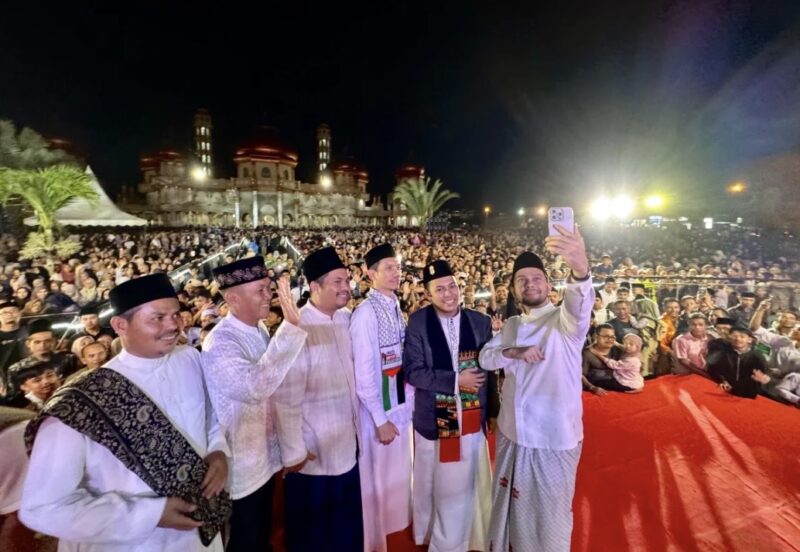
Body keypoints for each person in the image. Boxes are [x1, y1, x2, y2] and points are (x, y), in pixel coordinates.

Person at [20, 273, 231, 551]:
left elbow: (210, 419)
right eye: (157, 318)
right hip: (134, 542)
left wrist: (219, 451)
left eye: (176, 315)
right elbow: (43, 507)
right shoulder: (80, 404)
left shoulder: (189, 358)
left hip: (200, 535)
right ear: (120, 325)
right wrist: (150, 515)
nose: (174, 326)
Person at [480, 225, 593, 552]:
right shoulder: (512, 325)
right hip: (511, 434)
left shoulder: (564, 323)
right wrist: (511, 352)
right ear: (514, 290)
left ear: (548, 284)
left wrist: (581, 268)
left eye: (536, 278)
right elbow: (487, 359)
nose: (529, 284)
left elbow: (579, 303)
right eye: (522, 280)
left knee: (549, 521)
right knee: (508, 513)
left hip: (551, 439)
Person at [202, 256, 306, 552]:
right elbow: (255, 388)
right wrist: (291, 328)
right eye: (260, 290)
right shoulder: (220, 342)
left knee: (262, 534)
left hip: (263, 455)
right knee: (246, 539)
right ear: (232, 298)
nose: (269, 295)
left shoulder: (258, 329)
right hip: (241, 467)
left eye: (268, 288)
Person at [273, 246, 363, 551]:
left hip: (347, 445)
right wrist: (295, 451)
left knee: (346, 533)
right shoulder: (298, 328)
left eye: (346, 280)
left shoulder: (347, 319)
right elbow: (284, 397)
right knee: (316, 538)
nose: (345, 287)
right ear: (314, 287)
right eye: (336, 282)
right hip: (314, 456)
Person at [403, 259, 496, 552]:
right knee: (439, 487)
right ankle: (440, 540)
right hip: (436, 418)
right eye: (439, 289)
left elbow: (490, 371)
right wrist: (457, 380)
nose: (448, 294)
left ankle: (471, 538)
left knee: (470, 482)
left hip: (471, 416)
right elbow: (413, 371)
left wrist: (492, 409)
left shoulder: (479, 321)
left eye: (452, 286)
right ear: (428, 294)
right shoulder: (418, 322)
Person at [350, 243, 414, 552]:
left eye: (398, 266)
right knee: (374, 484)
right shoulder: (365, 313)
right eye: (388, 267)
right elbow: (363, 375)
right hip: (377, 415)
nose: (396, 272)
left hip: (398, 406)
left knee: (394, 482)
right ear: (370, 273)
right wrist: (379, 419)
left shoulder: (394, 306)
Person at [5, 319, 77, 404]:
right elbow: (13, 396)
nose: (42, 346)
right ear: (28, 344)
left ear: (54, 341)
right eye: (37, 342)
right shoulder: (17, 368)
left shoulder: (67, 359)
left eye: (48, 341)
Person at [707, 326, 769, 399]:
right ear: (729, 338)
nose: (738, 339)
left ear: (749, 340)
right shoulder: (723, 353)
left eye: (742, 337)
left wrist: (762, 380)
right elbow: (713, 369)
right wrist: (722, 380)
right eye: (734, 336)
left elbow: (763, 378)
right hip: (725, 392)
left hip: (748, 395)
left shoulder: (758, 357)